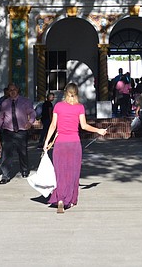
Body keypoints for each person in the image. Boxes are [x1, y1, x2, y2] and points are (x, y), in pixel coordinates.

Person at [42, 82, 107, 213]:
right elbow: (84, 126)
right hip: (74, 144)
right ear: (77, 93)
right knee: (72, 173)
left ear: (65, 92)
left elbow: (53, 126)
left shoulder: (58, 106)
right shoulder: (79, 107)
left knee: (60, 173)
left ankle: (60, 199)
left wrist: (46, 143)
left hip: (60, 144)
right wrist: (98, 131)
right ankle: (69, 200)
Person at [0, 83, 35, 184]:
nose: (12, 91)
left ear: (18, 90)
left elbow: (32, 113)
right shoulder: (5, 103)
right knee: (6, 154)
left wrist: (30, 122)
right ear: (8, 91)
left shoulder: (25, 101)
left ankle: (24, 170)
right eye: (10, 90)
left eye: (14, 89)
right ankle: (5, 175)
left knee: (23, 153)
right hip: (8, 132)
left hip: (21, 131)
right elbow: (0, 117)